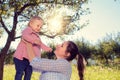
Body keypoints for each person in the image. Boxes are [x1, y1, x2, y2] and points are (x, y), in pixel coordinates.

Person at [13, 16, 52, 80]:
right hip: (21, 58)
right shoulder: (28, 30)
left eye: (40, 27)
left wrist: (47, 48)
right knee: (20, 72)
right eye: (37, 25)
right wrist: (34, 41)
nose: (39, 28)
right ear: (31, 24)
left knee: (29, 73)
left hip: (30, 59)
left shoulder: (37, 36)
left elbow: (40, 44)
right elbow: (25, 36)